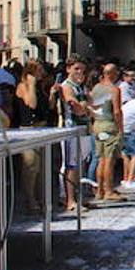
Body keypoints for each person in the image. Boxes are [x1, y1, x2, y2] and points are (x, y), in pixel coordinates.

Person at [58, 57, 95, 213]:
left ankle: (78, 196)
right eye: (76, 69)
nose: (80, 73)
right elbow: (76, 107)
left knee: (80, 164)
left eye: (82, 70)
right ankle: (70, 200)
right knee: (71, 165)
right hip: (71, 129)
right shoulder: (67, 86)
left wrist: (87, 107)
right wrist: (86, 107)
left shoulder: (81, 87)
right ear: (68, 69)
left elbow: (91, 103)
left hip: (84, 128)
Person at [89, 63, 125, 203]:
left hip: (98, 124)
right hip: (109, 124)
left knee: (101, 159)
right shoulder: (114, 90)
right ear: (111, 74)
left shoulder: (96, 88)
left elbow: (93, 107)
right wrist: (120, 128)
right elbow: (117, 111)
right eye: (116, 73)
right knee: (109, 160)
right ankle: (109, 190)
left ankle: (100, 190)